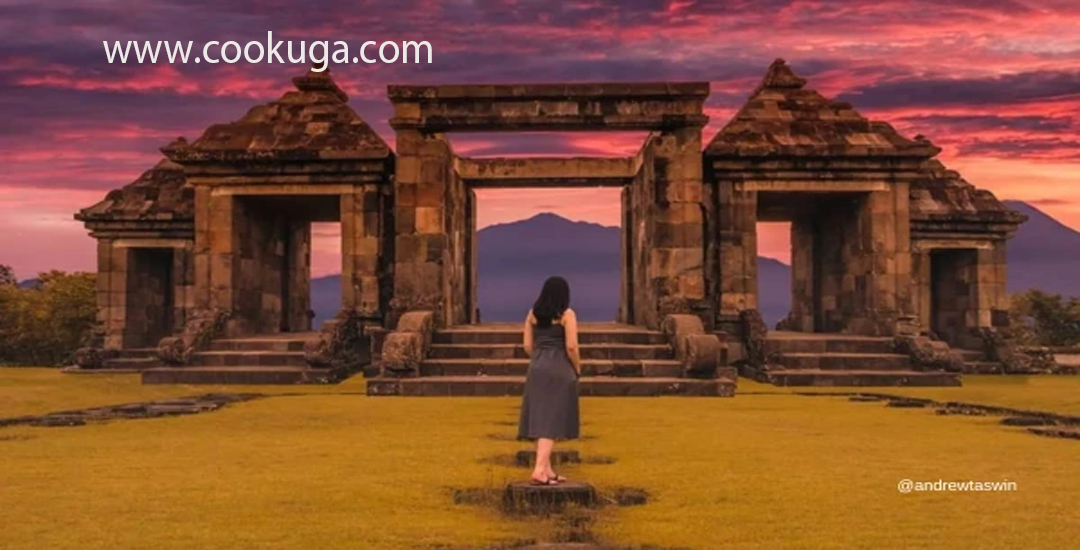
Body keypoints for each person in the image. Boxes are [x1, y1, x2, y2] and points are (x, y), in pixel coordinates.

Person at [517, 276, 582, 485]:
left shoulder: (532, 314)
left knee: (542, 416)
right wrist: (577, 367)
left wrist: (540, 358)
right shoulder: (567, 314)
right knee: (552, 419)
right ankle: (538, 469)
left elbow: (527, 345)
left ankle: (547, 469)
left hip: (537, 366)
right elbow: (571, 346)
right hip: (560, 367)